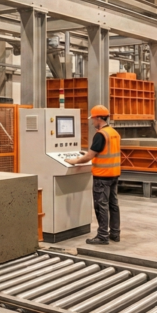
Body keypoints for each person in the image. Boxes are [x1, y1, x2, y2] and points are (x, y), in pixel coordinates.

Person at [66, 105, 121, 245]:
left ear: (98, 118)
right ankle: (115, 233)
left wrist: (74, 161)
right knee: (113, 205)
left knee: (101, 206)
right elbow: (103, 152)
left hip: (102, 176)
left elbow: (89, 156)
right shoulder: (114, 132)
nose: (92, 122)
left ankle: (102, 236)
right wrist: (88, 154)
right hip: (114, 174)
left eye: (93, 119)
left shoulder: (100, 134)